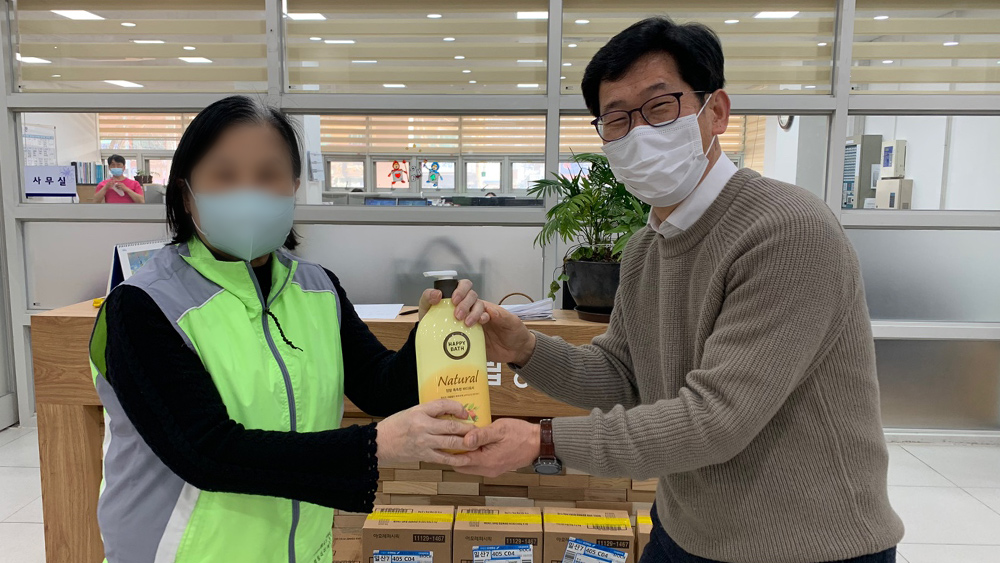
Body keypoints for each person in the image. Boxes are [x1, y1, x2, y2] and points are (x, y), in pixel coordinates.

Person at [458, 17, 904, 563]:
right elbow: (624, 377)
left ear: (715, 112)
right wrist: (524, 348)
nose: (638, 133)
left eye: (660, 106)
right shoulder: (647, 248)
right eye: (617, 119)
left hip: (808, 546)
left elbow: (718, 417)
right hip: (685, 529)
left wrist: (542, 441)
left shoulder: (787, 229)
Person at [88, 96, 488, 562]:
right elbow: (207, 453)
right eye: (225, 175)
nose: (248, 192)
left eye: (267, 175)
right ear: (186, 192)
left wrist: (435, 328)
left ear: (293, 186)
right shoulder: (143, 305)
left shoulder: (317, 287)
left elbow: (380, 386)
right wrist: (375, 446)